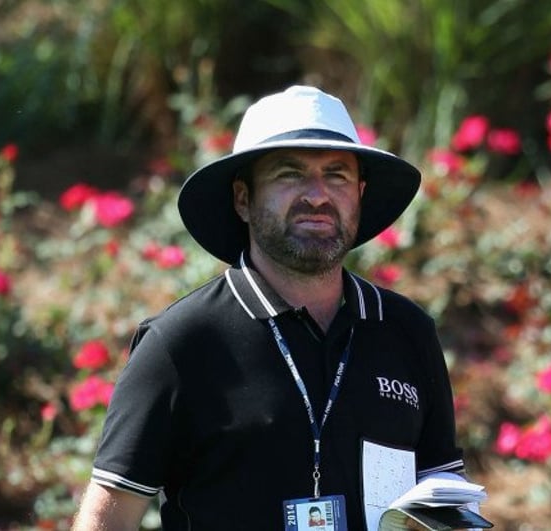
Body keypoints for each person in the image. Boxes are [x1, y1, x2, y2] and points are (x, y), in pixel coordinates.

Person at [72, 85, 472, 530]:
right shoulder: (181, 342)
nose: (317, 195)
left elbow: (446, 502)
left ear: (360, 193)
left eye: (337, 175)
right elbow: (107, 519)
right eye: (290, 174)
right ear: (243, 199)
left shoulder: (407, 331)